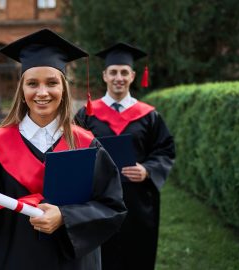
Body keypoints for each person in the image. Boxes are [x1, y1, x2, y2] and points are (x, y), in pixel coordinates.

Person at [0, 29, 127, 270]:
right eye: (33, 83)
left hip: (75, 262)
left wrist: (65, 217)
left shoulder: (86, 144)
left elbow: (112, 206)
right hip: (18, 257)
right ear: (22, 91)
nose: (42, 92)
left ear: (64, 89)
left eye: (52, 83)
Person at [74, 42, 176, 270]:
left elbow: (165, 149)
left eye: (123, 72)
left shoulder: (149, 116)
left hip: (138, 200)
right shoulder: (87, 115)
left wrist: (148, 170)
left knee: (137, 253)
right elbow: (72, 149)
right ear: (104, 76)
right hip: (97, 198)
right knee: (101, 254)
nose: (118, 77)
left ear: (132, 76)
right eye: (113, 72)